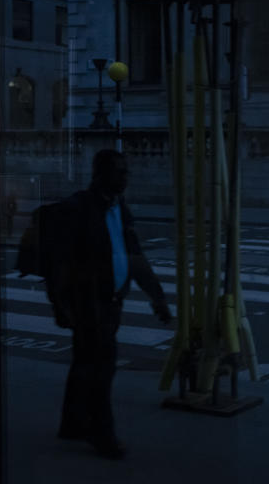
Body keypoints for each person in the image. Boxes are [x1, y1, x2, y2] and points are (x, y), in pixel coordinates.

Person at [54, 149, 172, 459]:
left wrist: (157, 297)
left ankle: (72, 423)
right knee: (101, 368)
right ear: (101, 174)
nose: (125, 177)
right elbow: (60, 261)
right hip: (90, 304)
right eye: (119, 172)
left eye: (126, 171)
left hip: (111, 302)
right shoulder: (81, 209)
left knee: (84, 363)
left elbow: (134, 257)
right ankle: (102, 433)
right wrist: (60, 305)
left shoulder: (120, 208)